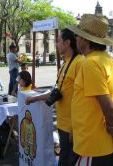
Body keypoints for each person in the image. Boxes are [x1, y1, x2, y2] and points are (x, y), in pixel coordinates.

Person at [67, 14, 113, 165]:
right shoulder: (107, 60)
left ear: (85, 40)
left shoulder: (90, 64)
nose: (76, 39)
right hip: (97, 142)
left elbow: (108, 106)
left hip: (91, 145)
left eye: (78, 35)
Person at [26, 28, 83, 166]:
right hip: (62, 123)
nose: (56, 44)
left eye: (58, 41)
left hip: (72, 128)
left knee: (69, 161)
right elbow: (58, 91)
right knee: (64, 158)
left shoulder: (79, 62)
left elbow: (83, 100)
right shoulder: (66, 63)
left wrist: (76, 129)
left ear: (67, 42)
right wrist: (35, 98)